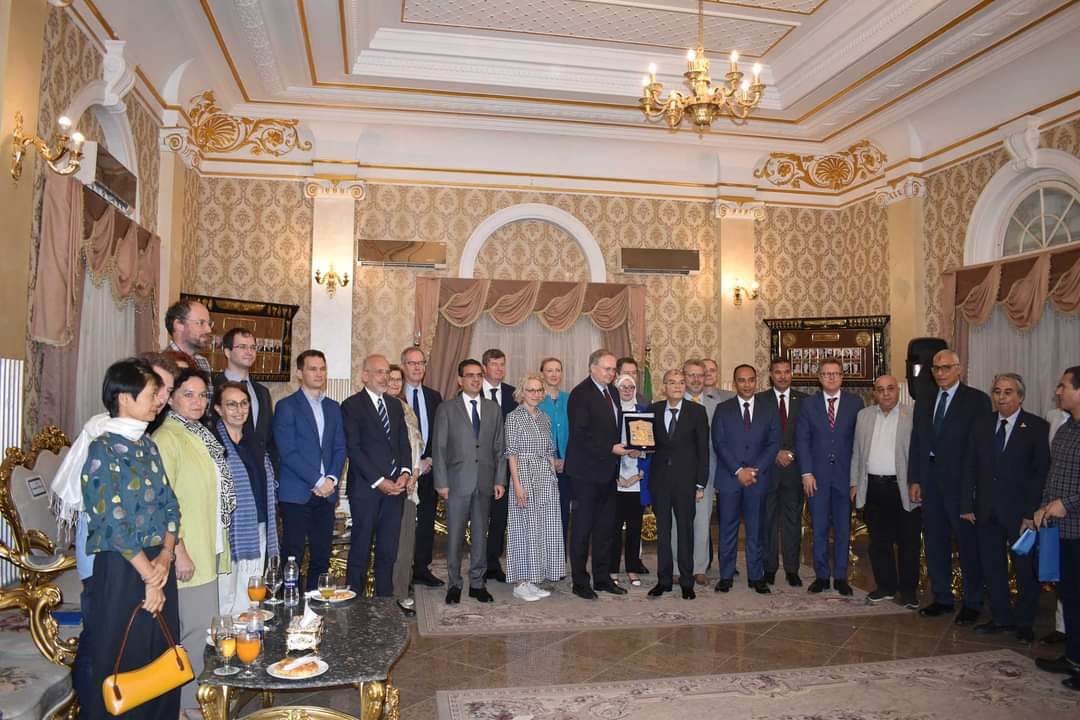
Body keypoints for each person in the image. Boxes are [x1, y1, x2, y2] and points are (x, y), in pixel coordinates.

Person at [63, 359, 180, 719]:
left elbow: (171, 505)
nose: (159, 401)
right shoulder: (102, 449)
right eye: (152, 393)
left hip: (158, 564)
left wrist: (166, 555)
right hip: (122, 568)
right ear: (125, 398)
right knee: (122, 658)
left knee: (161, 655)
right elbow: (110, 521)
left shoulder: (148, 446)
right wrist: (149, 575)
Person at [153, 367, 235, 710]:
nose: (197, 401)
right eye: (188, 394)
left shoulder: (199, 434)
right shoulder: (167, 437)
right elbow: (163, 499)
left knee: (203, 633)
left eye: (203, 395)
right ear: (170, 398)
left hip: (207, 544)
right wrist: (179, 550)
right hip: (187, 552)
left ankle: (197, 704)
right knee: (192, 635)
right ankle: (188, 708)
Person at [960, 373, 1049, 643]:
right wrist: (966, 503)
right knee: (992, 567)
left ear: (1020, 396)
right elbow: (970, 466)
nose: (1001, 397)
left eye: (1008, 392)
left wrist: (1030, 513)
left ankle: (1024, 622)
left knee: (1025, 570)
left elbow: (1040, 474)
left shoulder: (1037, 427)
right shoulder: (982, 424)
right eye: (997, 391)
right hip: (986, 510)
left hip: (1021, 515)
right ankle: (1001, 617)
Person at [908, 349, 991, 621]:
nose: (940, 373)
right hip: (930, 481)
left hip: (961, 484)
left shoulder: (977, 400)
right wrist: (915, 478)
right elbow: (917, 442)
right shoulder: (924, 399)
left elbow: (981, 449)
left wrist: (974, 487)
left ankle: (973, 601)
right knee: (935, 542)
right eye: (936, 368)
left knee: (968, 545)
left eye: (945, 367)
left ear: (959, 369)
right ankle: (942, 597)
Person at [432, 359, 507, 604]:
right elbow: (439, 448)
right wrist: (441, 482)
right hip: (456, 483)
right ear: (459, 380)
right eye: (470, 375)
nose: (475, 380)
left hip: (485, 482)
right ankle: (454, 584)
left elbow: (499, 447)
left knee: (480, 535)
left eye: (478, 375)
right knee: (454, 537)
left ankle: (477, 583)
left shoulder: (493, 409)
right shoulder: (446, 409)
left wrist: (499, 480)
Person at [272, 350, 347, 591]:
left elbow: (340, 447)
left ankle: (315, 604)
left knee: (321, 556)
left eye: (322, 368)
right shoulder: (286, 406)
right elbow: (288, 452)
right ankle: (289, 605)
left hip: (327, 494)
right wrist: (318, 481)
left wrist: (331, 478)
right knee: (292, 555)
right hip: (297, 494)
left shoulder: (333, 407)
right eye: (312, 368)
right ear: (299, 373)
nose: (318, 373)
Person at [341, 354, 413, 596]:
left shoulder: (394, 405)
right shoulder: (351, 406)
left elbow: (403, 443)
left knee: (387, 552)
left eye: (387, 372)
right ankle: (354, 605)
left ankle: (384, 605)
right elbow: (354, 449)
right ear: (365, 376)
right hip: (366, 491)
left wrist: (405, 473)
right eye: (379, 372)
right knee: (360, 552)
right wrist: (380, 481)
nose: (385, 377)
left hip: (395, 492)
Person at [565, 349, 632, 600]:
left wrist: (630, 446)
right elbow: (580, 434)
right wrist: (610, 448)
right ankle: (580, 582)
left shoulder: (612, 392)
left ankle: (602, 579)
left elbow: (613, 429)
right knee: (582, 530)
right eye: (607, 368)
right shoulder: (580, 394)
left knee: (605, 529)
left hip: (608, 472)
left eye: (614, 369)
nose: (611, 373)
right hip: (585, 474)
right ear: (592, 368)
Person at [850, 375, 921, 608]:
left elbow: (921, 453)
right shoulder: (864, 416)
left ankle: (908, 591)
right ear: (874, 394)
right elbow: (857, 453)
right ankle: (885, 587)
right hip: (873, 487)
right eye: (880, 390)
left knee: (908, 542)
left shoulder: (912, 415)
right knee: (879, 542)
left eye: (890, 388)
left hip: (903, 489)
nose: (886, 393)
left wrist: (917, 482)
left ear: (898, 391)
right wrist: (854, 483)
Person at [213, 381, 280, 616]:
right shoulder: (214, 444)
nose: (239, 410)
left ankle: (248, 632)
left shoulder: (255, 442)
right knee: (226, 594)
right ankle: (226, 635)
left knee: (252, 590)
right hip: (229, 530)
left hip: (259, 524)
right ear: (218, 409)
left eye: (244, 404)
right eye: (231, 404)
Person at [712, 364, 780, 594]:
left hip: (758, 480)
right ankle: (726, 576)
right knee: (727, 529)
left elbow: (773, 443)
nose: (747, 384)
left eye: (751, 380)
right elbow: (719, 443)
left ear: (756, 381)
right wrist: (738, 470)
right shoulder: (723, 409)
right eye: (741, 380)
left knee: (756, 529)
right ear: (735, 383)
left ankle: (756, 575)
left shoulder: (769, 409)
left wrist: (754, 470)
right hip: (730, 479)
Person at [796, 358, 861, 595]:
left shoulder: (856, 403)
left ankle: (841, 576)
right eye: (826, 374)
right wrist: (806, 472)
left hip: (845, 477)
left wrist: (856, 479)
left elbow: (860, 442)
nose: (831, 377)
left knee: (843, 529)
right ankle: (822, 575)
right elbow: (802, 440)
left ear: (842, 376)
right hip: (817, 478)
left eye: (835, 373)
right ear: (819, 378)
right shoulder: (808, 404)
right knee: (820, 528)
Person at [1034, 366, 1080, 691]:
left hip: (1077, 528)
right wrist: (1043, 506)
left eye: (1063, 386)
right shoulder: (1065, 428)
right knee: (1069, 598)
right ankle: (1073, 656)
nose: (1058, 391)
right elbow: (1054, 476)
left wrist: (1068, 504)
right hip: (1059, 530)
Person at [648, 369, 709, 599]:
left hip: (686, 482)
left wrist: (700, 484)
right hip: (660, 481)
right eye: (672, 382)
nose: (677, 386)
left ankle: (686, 582)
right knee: (663, 532)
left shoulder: (697, 411)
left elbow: (703, 450)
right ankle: (663, 580)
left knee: (685, 531)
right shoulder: (653, 410)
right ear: (664, 386)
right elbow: (648, 442)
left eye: (681, 382)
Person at [505, 373, 566, 601]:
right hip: (524, 475)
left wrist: (553, 479)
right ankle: (520, 583)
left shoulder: (544, 417)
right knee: (524, 528)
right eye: (531, 390)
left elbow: (550, 450)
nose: (535, 394)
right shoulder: (513, 417)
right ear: (522, 392)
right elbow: (511, 454)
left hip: (545, 478)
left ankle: (534, 578)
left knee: (544, 529)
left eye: (539, 390)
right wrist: (517, 485)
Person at [678, 359, 732, 585]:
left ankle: (699, 568)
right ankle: (677, 567)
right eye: (691, 375)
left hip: (707, 472)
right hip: (678, 473)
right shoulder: (674, 402)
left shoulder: (716, 406)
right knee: (678, 522)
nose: (696, 379)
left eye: (700, 375)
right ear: (683, 377)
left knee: (702, 521)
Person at [757, 357, 808, 587]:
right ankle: (769, 568)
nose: (782, 376)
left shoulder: (804, 401)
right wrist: (775, 453)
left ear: (791, 374)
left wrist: (792, 453)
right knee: (767, 521)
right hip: (768, 470)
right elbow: (756, 435)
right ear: (771, 375)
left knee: (792, 522)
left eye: (786, 371)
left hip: (794, 471)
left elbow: (807, 434)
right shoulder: (760, 400)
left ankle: (792, 569)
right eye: (777, 372)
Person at [400, 347, 445, 588]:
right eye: (411, 363)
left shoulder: (434, 396)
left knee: (426, 521)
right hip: (403, 473)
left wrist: (430, 460)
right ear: (403, 366)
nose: (417, 367)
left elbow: (440, 433)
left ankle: (421, 569)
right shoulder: (395, 396)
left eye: (421, 363)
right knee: (403, 523)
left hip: (428, 470)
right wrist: (413, 465)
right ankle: (400, 572)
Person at [388, 363, 423, 616]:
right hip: (388, 486)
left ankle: (400, 592)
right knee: (389, 544)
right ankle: (386, 594)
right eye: (390, 379)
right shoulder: (377, 410)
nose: (394, 383)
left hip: (410, 485)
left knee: (405, 543)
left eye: (398, 380)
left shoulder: (407, 410)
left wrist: (414, 473)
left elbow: (415, 447)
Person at [611, 373, 651, 586]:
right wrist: (616, 476)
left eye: (631, 387)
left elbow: (651, 446)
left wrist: (640, 459)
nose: (627, 391)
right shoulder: (611, 412)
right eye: (623, 387)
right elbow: (604, 446)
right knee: (614, 528)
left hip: (637, 480)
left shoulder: (643, 412)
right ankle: (612, 570)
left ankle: (633, 569)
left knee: (635, 528)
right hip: (615, 480)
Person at [481, 348, 517, 582]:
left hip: (506, 467)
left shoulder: (513, 394)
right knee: (478, 518)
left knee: (499, 518)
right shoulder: (471, 392)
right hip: (480, 466)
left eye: (502, 364)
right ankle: (478, 564)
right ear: (484, 367)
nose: (499, 368)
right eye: (494, 364)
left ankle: (493, 564)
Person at [213, 327, 274, 461]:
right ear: (227, 352)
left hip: (260, 467)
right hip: (228, 464)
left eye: (253, 347)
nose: (249, 352)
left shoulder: (263, 392)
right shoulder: (212, 387)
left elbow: (269, 437)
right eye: (242, 347)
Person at [538, 357, 572, 550]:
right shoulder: (535, 399)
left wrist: (566, 459)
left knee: (563, 511)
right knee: (544, 512)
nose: (554, 374)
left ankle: (559, 555)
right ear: (542, 373)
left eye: (557, 370)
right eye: (549, 370)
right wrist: (551, 460)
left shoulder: (570, 398)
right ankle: (542, 556)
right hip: (541, 464)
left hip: (567, 463)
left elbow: (577, 432)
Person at [163, 298, 213, 375]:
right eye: (201, 323)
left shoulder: (203, 362)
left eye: (209, 324)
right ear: (179, 325)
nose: (208, 330)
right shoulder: (163, 364)